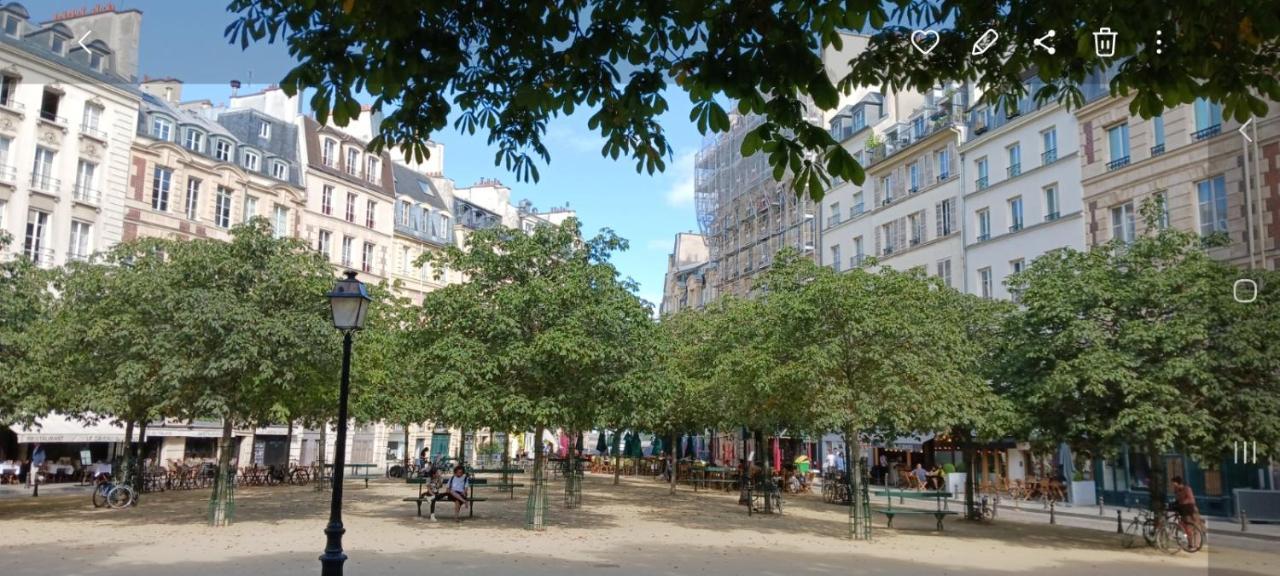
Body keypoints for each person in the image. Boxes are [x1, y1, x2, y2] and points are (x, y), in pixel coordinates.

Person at [1171, 476, 1203, 550]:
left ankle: (1195, 544)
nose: (1173, 485)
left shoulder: (1187, 489)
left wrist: (1181, 503)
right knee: (1186, 527)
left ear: (1178, 483)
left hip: (1190, 510)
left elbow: (1191, 499)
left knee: (1192, 527)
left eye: (1173, 483)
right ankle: (1191, 543)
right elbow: (1178, 500)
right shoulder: (1177, 490)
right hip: (1183, 510)